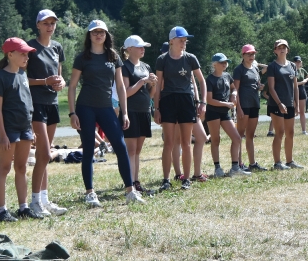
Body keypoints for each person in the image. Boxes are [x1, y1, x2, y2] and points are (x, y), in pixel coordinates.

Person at [67, 20, 146, 207]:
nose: (98, 35)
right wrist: (72, 113)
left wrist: (124, 112)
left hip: (106, 108)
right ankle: (90, 193)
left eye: (101, 32)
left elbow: (120, 86)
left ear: (106, 35)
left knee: (120, 146)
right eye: (94, 32)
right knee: (88, 149)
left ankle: (130, 191)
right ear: (89, 35)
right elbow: (72, 86)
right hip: (85, 107)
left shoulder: (113, 56)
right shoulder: (82, 58)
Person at [0, 38, 43, 222]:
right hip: (9, 129)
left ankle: (23, 208)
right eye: (22, 54)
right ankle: (1, 211)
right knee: (4, 167)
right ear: (10, 54)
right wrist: (3, 135)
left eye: (27, 54)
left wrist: (31, 129)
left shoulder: (22, 74)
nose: (26, 57)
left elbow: (27, 103)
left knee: (21, 167)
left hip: (25, 128)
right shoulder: (0, 77)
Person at [154, 27, 208, 191]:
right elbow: (158, 85)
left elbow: (201, 81)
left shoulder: (191, 58)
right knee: (169, 142)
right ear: (172, 41)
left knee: (186, 143)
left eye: (185, 40)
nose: (184, 43)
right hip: (168, 100)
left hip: (186, 101)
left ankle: (186, 179)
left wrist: (202, 102)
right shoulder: (162, 59)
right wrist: (156, 108)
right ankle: (166, 180)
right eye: (181, 40)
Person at [26, 9, 68, 217]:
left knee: (46, 154)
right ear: (38, 25)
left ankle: (44, 200)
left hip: (53, 103)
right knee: (43, 153)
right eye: (45, 23)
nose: (50, 26)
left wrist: (61, 83)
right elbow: (21, 78)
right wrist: (45, 81)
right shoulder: (30, 47)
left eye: (53, 23)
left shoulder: (57, 47)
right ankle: (35, 202)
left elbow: (59, 76)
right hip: (36, 104)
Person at [120, 35, 158, 193]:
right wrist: (142, 81)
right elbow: (125, 92)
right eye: (139, 47)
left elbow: (150, 94)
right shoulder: (124, 67)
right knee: (131, 150)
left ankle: (136, 182)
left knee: (138, 151)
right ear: (129, 49)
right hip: (131, 111)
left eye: (144, 47)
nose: (143, 49)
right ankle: (131, 184)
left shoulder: (146, 66)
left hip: (144, 111)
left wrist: (153, 84)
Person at [206, 53, 251, 177]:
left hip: (225, 113)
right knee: (216, 140)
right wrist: (226, 104)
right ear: (215, 64)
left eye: (226, 62)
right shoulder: (210, 79)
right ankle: (217, 168)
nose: (225, 64)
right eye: (222, 62)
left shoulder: (227, 76)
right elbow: (209, 100)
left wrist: (234, 94)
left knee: (236, 138)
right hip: (213, 112)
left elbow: (234, 88)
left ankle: (235, 168)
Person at [266, 40, 303, 170]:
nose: (282, 49)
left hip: (290, 103)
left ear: (288, 50)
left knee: (290, 132)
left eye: (284, 47)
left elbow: (295, 86)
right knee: (280, 132)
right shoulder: (272, 66)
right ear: (275, 50)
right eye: (279, 47)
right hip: (276, 104)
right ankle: (277, 163)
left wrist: (296, 104)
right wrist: (279, 103)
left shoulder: (292, 65)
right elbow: (271, 88)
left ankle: (289, 161)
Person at [233, 44, 268, 171]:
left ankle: (252, 164)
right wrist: (238, 107)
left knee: (250, 135)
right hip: (243, 105)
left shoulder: (255, 69)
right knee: (239, 135)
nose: (251, 56)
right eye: (248, 54)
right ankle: (239, 164)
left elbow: (257, 84)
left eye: (253, 54)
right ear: (243, 55)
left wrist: (260, 87)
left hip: (254, 104)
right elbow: (235, 89)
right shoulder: (239, 70)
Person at [293, 56, 308, 135]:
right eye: (296, 62)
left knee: (302, 111)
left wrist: (306, 80)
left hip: (301, 90)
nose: (298, 63)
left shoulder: (302, 70)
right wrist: (302, 82)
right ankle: (291, 130)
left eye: (299, 62)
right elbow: (292, 84)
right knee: (293, 111)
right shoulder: (291, 70)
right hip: (293, 90)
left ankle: (304, 130)